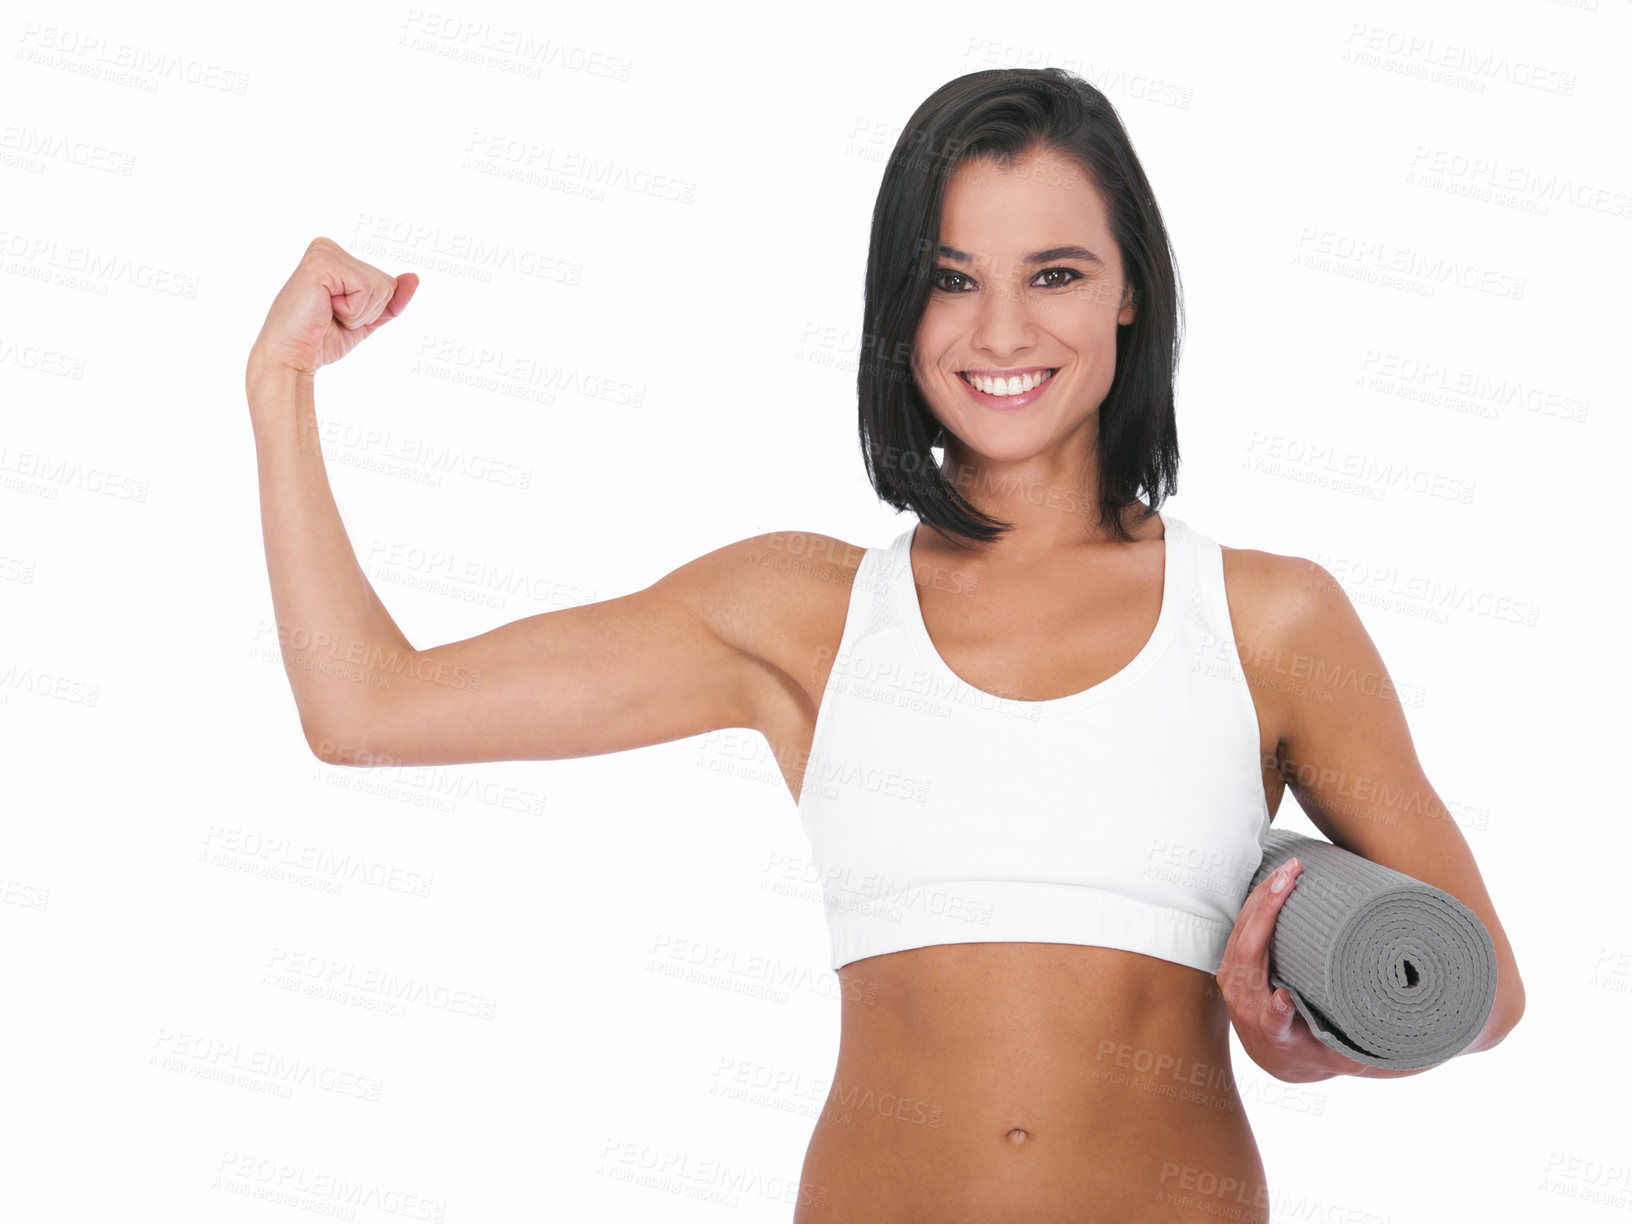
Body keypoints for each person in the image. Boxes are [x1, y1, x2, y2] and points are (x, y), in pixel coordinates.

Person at [245, 67, 1524, 1223]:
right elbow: (368, 709)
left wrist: (1318, 1045)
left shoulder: (1267, 616)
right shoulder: (801, 611)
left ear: (1131, 289)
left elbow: (1482, 993)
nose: (1003, 332)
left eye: (1056, 274)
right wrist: (282, 387)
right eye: (953, 279)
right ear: (897, 306)